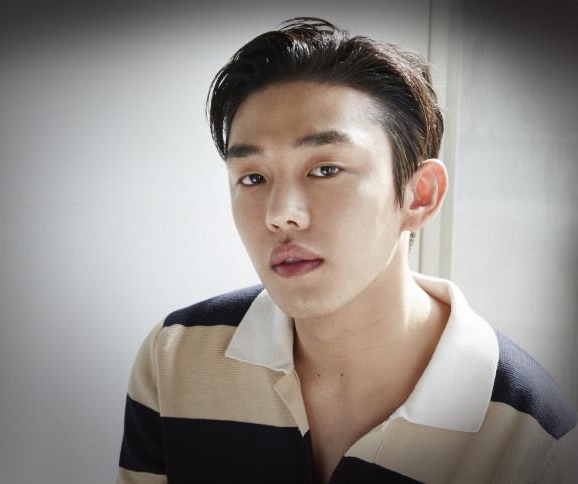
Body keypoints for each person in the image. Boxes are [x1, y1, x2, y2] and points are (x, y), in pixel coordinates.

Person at [116, 17, 576, 484]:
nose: (280, 214)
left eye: (325, 169)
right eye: (253, 177)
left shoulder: (535, 441)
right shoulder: (176, 357)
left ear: (419, 195)